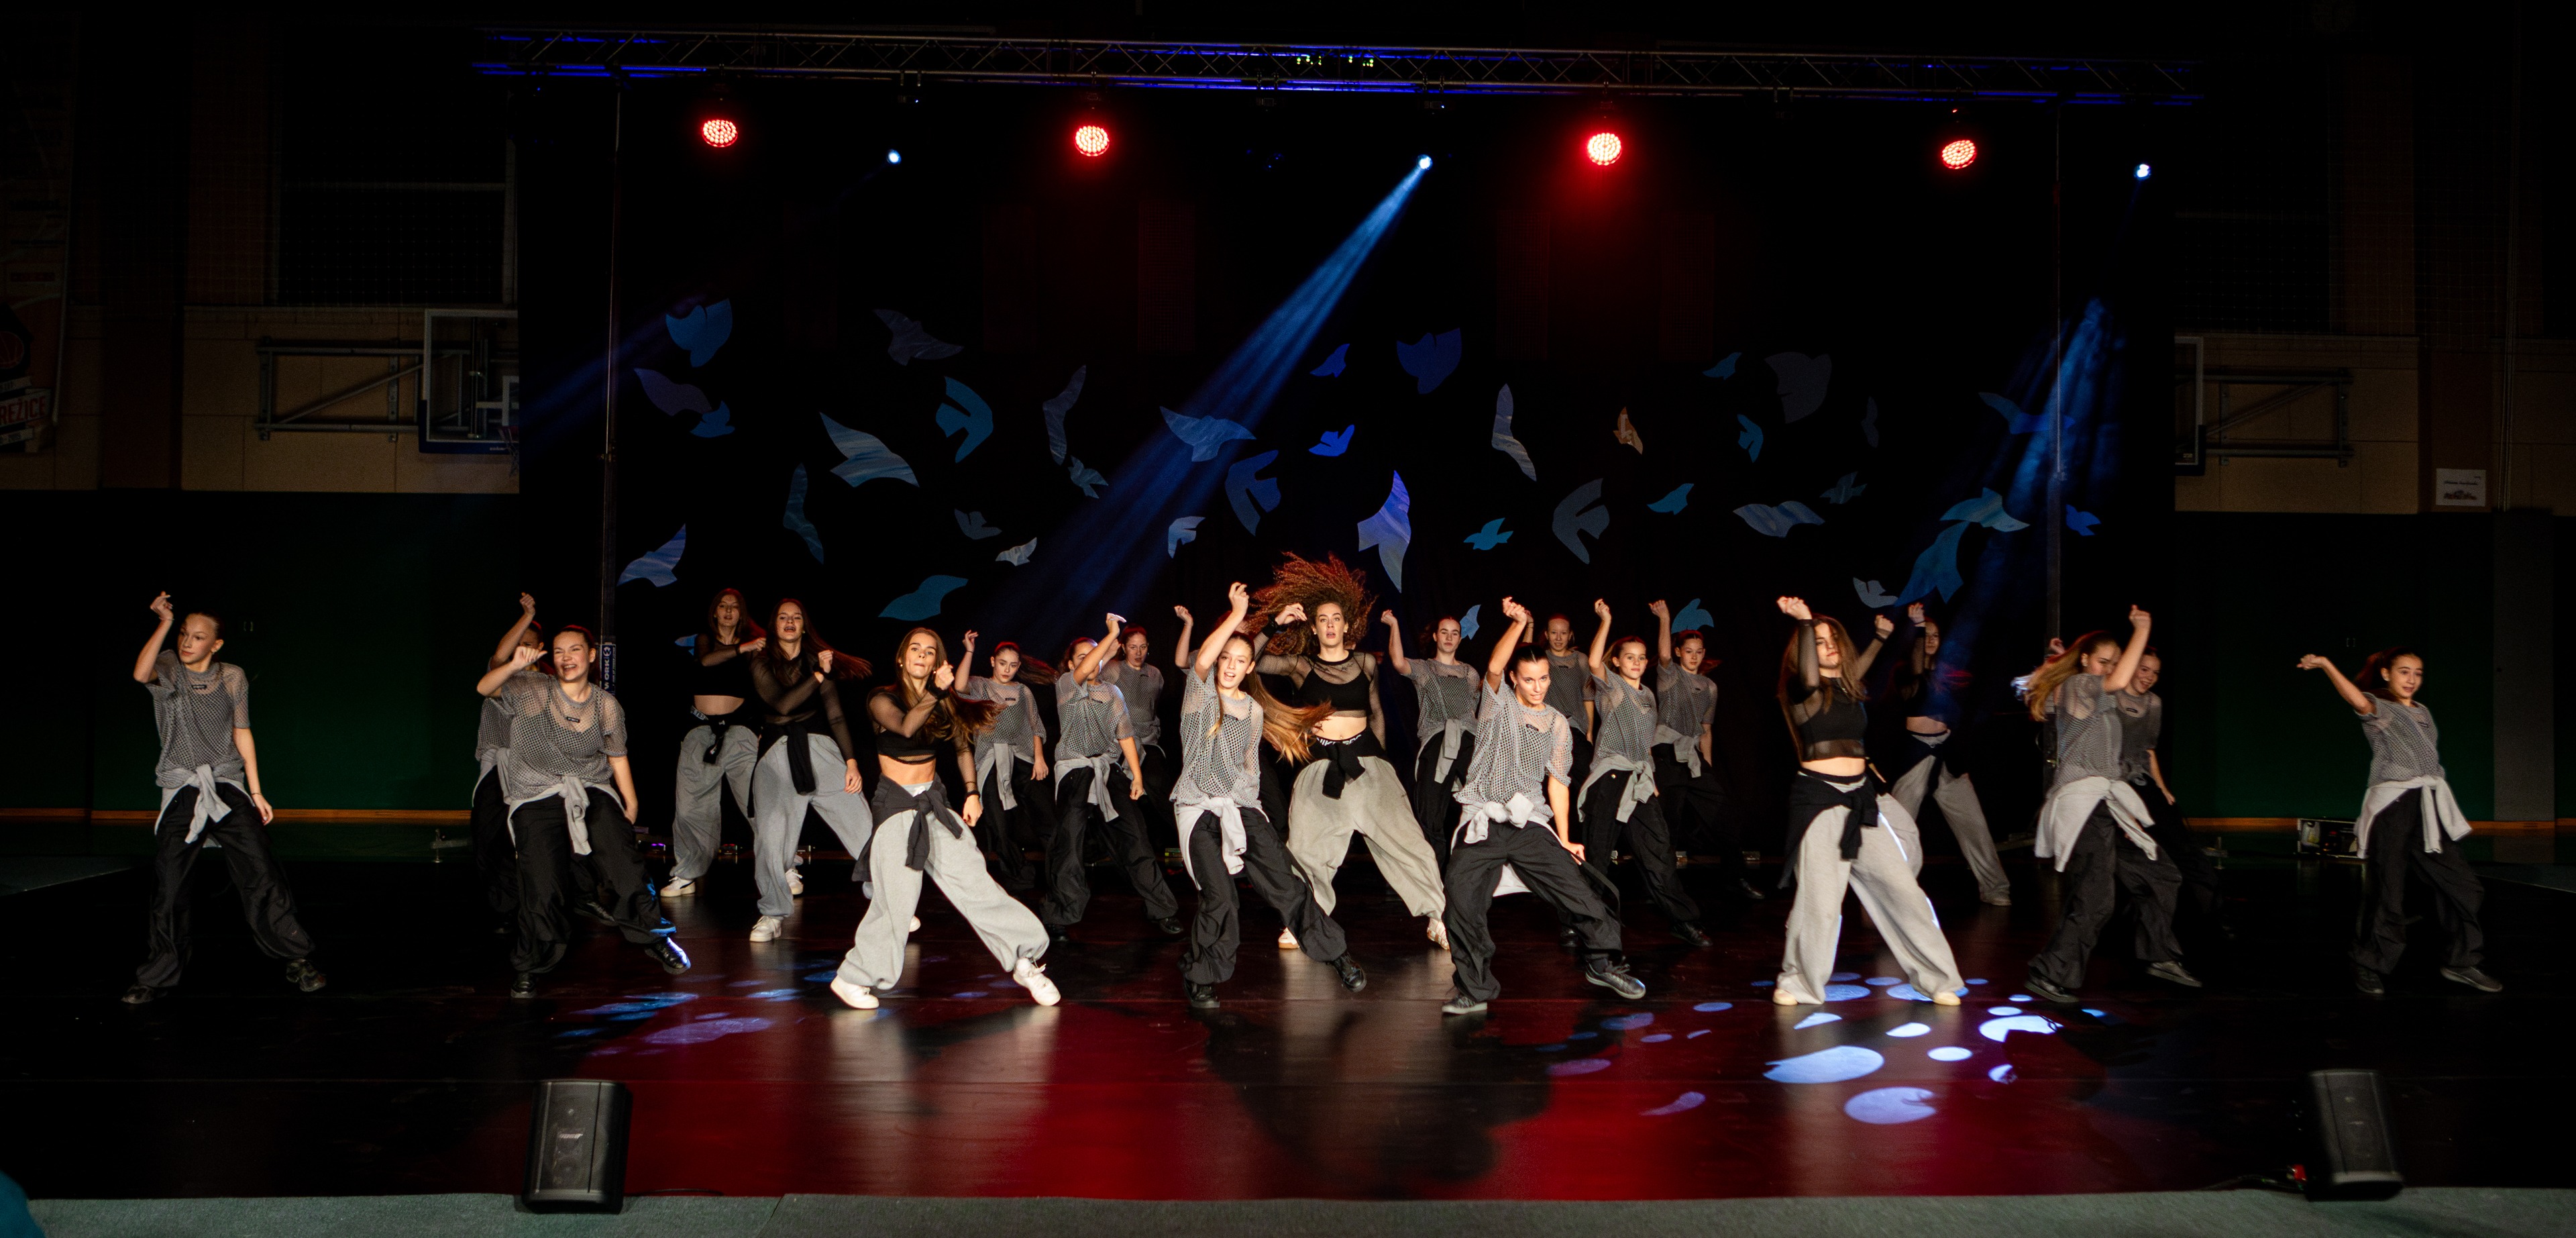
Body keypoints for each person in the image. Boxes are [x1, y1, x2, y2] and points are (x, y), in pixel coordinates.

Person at [830, 628, 1060, 1010]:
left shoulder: (943, 701)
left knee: (976, 885)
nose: (922, 655)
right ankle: (853, 977)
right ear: (902, 657)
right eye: (915, 649)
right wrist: (937, 692)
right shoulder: (881, 698)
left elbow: (962, 745)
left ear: (938, 661)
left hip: (934, 803)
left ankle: (1024, 960)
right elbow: (907, 727)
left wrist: (971, 792)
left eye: (930, 651)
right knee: (897, 902)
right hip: (896, 807)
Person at [1439, 598, 1646, 1015]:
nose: (1538, 687)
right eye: (1529, 679)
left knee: (1579, 892)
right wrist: (1518, 624)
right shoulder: (1497, 706)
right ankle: (1474, 988)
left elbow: (1559, 783)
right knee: (1460, 899)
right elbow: (1493, 667)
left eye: (1544, 678)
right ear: (1514, 680)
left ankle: (1602, 963)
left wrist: (1566, 838)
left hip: (1529, 821)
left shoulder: (1556, 723)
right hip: (1483, 817)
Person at [122, 594, 325, 1005]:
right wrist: (164, 623)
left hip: (227, 783)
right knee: (171, 883)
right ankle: (158, 974)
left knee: (261, 869)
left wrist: (256, 791)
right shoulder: (168, 667)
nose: (187, 642)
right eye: (184, 634)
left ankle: (296, 958)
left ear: (216, 645)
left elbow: (242, 731)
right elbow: (140, 674)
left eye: (198, 637)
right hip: (183, 786)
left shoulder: (232, 676)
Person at [1173, 584, 1366, 1009]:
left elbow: (1249, 767)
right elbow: (1200, 661)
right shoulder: (1200, 696)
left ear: (1249, 668)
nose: (1230, 666)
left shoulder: (1254, 710)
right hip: (1198, 808)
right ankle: (1201, 974)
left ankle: (1337, 955)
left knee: (1287, 885)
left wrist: (1254, 814)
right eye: (1226, 658)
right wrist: (1236, 615)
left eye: (1240, 661)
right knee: (1221, 898)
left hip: (1242, 807)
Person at [1769, 597, 1963, 1009]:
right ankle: (1799, 981)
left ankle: (1936, 978)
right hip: (1820, 800)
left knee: (1902, 890)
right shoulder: (1801, 690)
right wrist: (1805, 622)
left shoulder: (1848, 688)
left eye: (1832, 640)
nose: (1829, 647)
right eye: (1818, 642)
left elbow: (1858, 669)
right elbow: (1810, 676)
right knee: (1821, 903)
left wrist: (1879, 639)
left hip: (1860, 797)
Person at [478, 625, 688, 998]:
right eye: (559, 651)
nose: (566, 658)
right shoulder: (532, 688)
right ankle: (532, 963)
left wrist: (631, 803)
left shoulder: (606, 705)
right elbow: (484, 688)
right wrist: (514, 665)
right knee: (542, 884)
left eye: (574, 650)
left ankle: (655, 936)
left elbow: (617, 756)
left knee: (624, 862)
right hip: (535, 792)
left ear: (591, 656)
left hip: (589, 787)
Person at [1250, 553, 1448, 949]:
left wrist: (1381, 762)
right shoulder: (1300, 666)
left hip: (1367, 763)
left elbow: (1376, 712)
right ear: (1313, 626)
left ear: (1346, 625)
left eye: (1336, 618)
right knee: (1305, 847)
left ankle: (1438, 917)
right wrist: (1275, 623)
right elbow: (1249, 661)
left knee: (1408, 842)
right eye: (1322, 619)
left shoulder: (1365, 662)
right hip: (1321, 767)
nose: (1329, 625)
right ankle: (1304, 921)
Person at [2297, 648, 2498, 995]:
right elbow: (2357, 700)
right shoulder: (2380, 707)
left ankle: (2461, 961)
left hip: (2427, 805)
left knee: (2464, 886)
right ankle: (2368, 962)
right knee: (2388, 888)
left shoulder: (2423, 711)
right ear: (2387, 674)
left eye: (2418, 673)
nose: (2412, 679)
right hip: (2394, 805)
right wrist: (2327, 665)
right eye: (2404, 672)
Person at [2022, 610, 2198, 1002]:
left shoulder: (2097, 695)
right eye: (2105, 662)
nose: (2113, 670)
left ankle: (2158, 954)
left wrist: (2059, 656)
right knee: (2096, 897)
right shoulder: (2079, 685)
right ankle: (2049, 971)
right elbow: (2112, 681)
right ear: (2086, 661)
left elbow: (2111, 689)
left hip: (2105, 801)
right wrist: (2143, 630)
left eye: (2116, 664)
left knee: (2161, 874)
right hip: (2082, 804)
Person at [1042, 613, 1183, 941]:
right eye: (1082, 656)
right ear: (1071, 664)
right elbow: (1085, 668)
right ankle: (1061, 913)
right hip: (1075, 770)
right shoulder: (1066, 685)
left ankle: (1162, 908)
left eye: (1094, 655)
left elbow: (1125, 735)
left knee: (1136, 838)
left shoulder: (1112, 692)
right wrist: (1110, 635)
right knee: (1070, 844)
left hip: (1109, 769)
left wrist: (1137, 776)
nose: (1090, 661)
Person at [1576, 600, 1709, 945]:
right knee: (1598, 855)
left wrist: (1651, 777)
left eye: (1641, 658)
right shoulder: (1611, 687)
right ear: (1618, 662)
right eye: (1629, 658)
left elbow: (1645, 741)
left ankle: (1682, 920)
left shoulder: (1649, 694)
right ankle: (1579, 923)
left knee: (1660, 852)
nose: (1636, 663)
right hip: (1610, 779)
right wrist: (1606, 620)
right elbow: (1593, 662)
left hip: (1639, 782)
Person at [744, 600, 875, 944]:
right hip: (776, 753)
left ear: (805, 626)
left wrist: (851, 762)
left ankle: (888, 902)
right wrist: (819, 674)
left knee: (861, 821)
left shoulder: (818, 662)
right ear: (774, 625)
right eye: (783, 617)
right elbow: (782, 704)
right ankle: (773, 912)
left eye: (796, 617)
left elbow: (836, 717)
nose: (790, 622)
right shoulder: (761, 662)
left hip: (820, 749)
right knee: (771, 836)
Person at [1883, 603, 2011, 906]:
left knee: (1974, 824)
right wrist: (1917, 627)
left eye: (1935, 635)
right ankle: (1889, 895)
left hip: (1946, 752)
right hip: (1915, 753)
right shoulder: (1904, 672)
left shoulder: (1946, 674)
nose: (1930, 640)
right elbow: (1917, 673)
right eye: (1925, 635)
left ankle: (1995, 886)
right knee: (1899, 829)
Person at [1646, 600, 1756, 902]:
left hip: (1693, 759)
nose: (1693, 656)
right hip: (1667, 754)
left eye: (1698, 651)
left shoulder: (1710, 687)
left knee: (1725, 817)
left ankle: (1735, 878)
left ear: (1704, 654)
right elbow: (1663, 655)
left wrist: (1707, 766)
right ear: (1679, 652)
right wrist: (1665, 618)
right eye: (1688, 651)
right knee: (1667, 824)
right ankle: (1662, 889)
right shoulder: (1670, 676)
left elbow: (1706, 729)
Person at [663, 588, 765, 898]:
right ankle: (687, 871)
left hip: (739, 729)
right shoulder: (705, 640)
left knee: (757, 801)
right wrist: (744, 648)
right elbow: (707, 661)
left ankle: (783, 866)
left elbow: (762, 687)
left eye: (734, 606)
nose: (728, 611)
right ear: (715, 611)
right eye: (723, 606)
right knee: (689, 806)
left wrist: (761, 727)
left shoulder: (754, 646)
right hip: (700, 729)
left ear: (742, 613)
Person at [2116, 650, 2225, 936]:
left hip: (2142, 781)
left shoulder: (2154, 703)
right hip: (2114, 783)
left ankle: (2209, 911)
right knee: (2130, 853)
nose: (2149, 677)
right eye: (2144, 669)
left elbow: (2149, 750)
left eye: (2155, 673)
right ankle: (2129, 919)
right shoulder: (2111, 696)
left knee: (2182, 845)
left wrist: (2163, 788)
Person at [470, 594, 548, 930]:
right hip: (499, 762)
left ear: (541, 648)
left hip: (538, 768)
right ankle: (504, 906)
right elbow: (500, 657)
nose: (522, 651)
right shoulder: (502, 675)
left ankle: (541, 906)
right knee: (489, 834)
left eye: (529, 645)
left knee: (536, 839)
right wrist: (527, 615)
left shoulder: (550, 682)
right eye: (519, 644)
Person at [1383, 611, 1481, 870]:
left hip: (1468, 739)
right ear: (1436, 636)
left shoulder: (1470, 673)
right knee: (1429, 809)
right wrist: (1394, 624)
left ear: (1460, 639)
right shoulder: (1425, 668)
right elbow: (1398, 663)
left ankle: (1472, 869)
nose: (1449, 637)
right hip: (1437, 739)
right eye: (1444, 632)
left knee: (1483, 800)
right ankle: (1432, 874)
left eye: (1455, 633)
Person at [958, 637, 1050, 891]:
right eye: (1002, 663)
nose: (1007, 669)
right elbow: (959, 686)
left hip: (1023, 759)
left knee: (1044, 815)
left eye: (1013, 665)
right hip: (991, 761)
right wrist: (969, 651)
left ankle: (1058, 871)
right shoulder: (981, 686)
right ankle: (1020, 873)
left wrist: (1039, 758)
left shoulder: (1023, 691)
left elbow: (1035, 725)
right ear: (992, 662)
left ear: (1019, 666)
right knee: (998, 823)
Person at [1096, 622, 1177, 853]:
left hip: (1148, 740)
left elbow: (1152, 706)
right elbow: (1091, 683)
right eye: (1133, 647)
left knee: (1158, 785)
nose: (1138, 652)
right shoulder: (1114, 669)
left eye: (1143, 647)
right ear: (1124, 648)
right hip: (1119, 742)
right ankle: (1126, 845)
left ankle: (1175, 839)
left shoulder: (1155, 674)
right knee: (1122, 791)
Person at [1538, 613, 1596, 782]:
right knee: (1550, 780)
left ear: (1570, 635)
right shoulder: (1541, 658)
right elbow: (1524, 655)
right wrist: (1529, 625)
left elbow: (1588, 697)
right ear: (1547, 634)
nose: (1558, 638)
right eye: (1554, 633)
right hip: (1546, 730)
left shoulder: (1580, 660)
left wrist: (1589, 733)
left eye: (1563, 633)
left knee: (1585, 779)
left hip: (1575, 728)